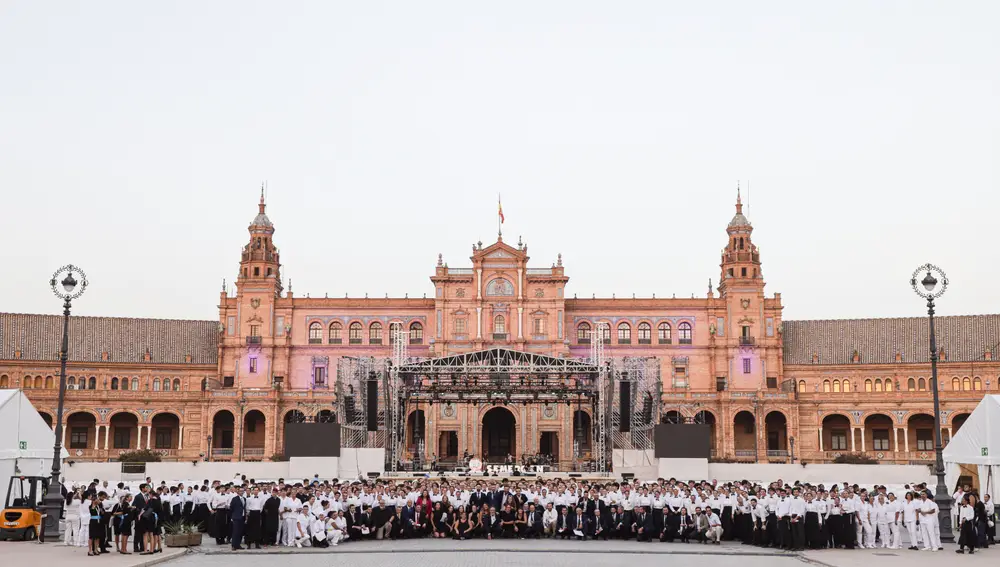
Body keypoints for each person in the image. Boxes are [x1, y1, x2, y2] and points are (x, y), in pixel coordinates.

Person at [230, 486, 247, 550]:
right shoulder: (234, 499)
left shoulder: (244, 499)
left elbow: (244, 508)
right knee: (235, 532)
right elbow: (231, 508)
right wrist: (233, 516)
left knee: (240, 532)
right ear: (238, 492)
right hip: (236, 517)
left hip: (242, 517)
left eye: (242, 491)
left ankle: (238, 544)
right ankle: (233, 545)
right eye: (240, 491)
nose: (241, 492)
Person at [87, 492, 102, 556]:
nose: (98, 501)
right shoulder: (91, 507)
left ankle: (96, 549)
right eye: (97, 500)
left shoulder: (98, 507)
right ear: (94, 500)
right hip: (93, 521)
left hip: (98, 521)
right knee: (91, 537)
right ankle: (90, 550)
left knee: (97, 537)